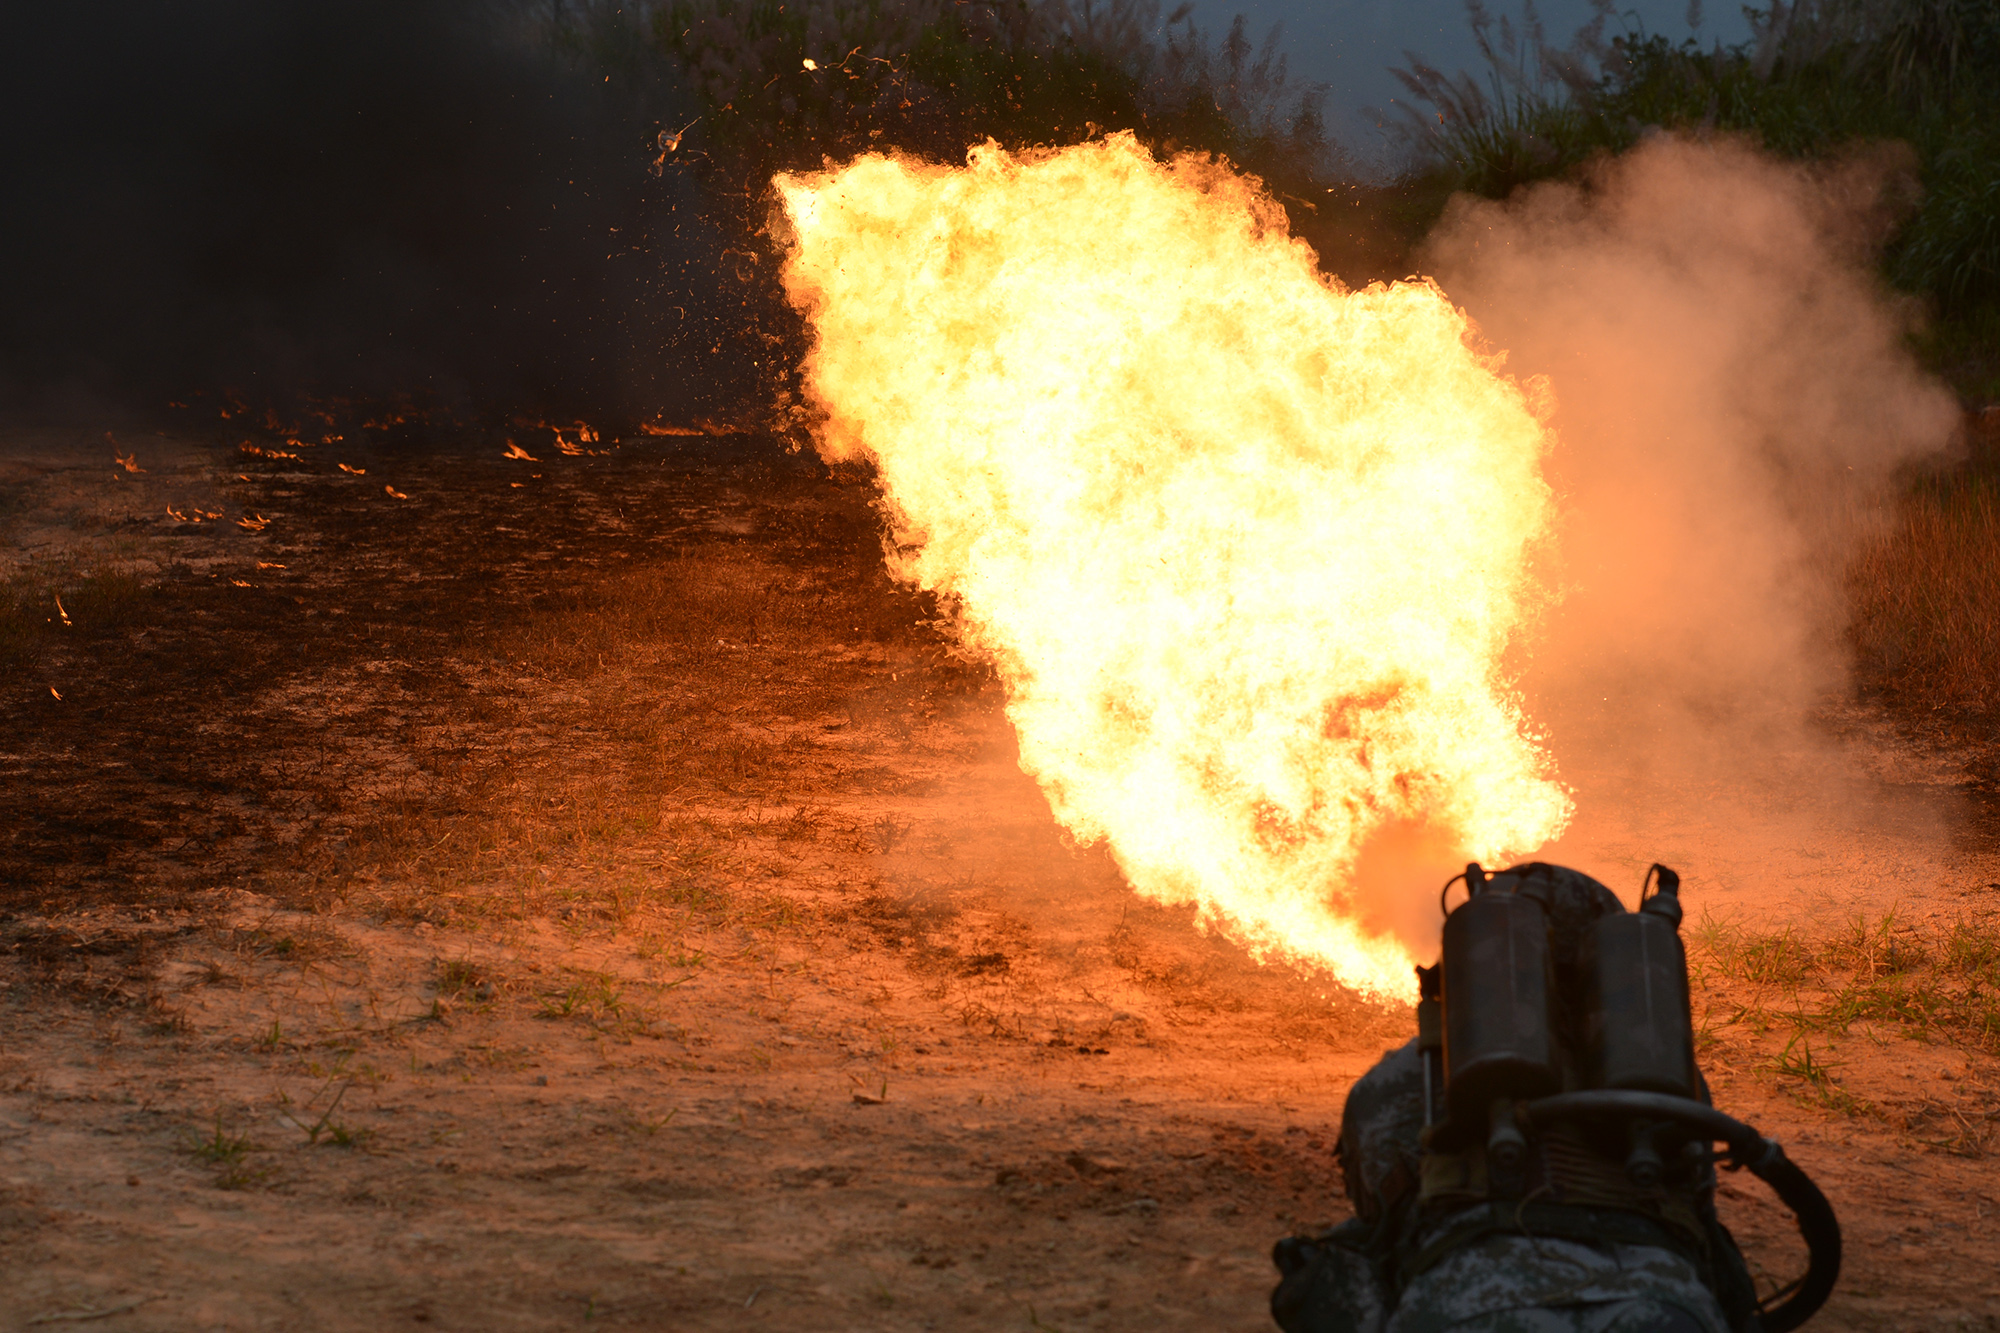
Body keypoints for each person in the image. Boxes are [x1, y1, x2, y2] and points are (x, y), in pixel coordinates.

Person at [1271, 863, 1762, 1333]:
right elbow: (1696, 1214)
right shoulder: (1670, 1082)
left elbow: (1380, 1219)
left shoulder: (1402, 1079)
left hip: (1467, 1309)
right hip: (1664, 1309)